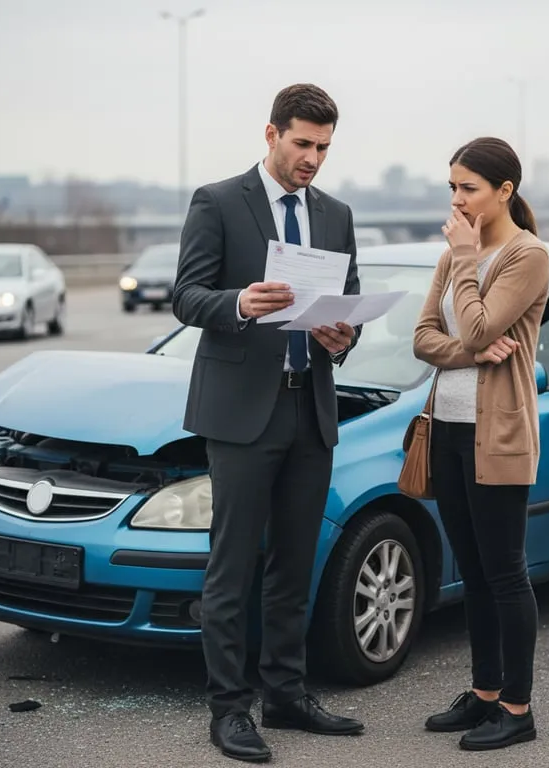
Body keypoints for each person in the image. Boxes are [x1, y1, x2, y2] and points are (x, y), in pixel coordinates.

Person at [172, 83, 364, 764]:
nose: (313, 158)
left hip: (309, 406)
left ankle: (286, 694)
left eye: (323, 147)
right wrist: (241, 303)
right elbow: (186, 296)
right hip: (241, 413)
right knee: (231, 568)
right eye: (303, 143)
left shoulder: (336, 215)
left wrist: (343, 338)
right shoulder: (219, 202)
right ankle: (230, 711)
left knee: (293, 561)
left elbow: (345, 309)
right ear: (272, 134)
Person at [412, 137, 549, 751]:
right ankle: (486, 692)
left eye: (468, 188)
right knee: (469, 571)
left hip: (499, 436)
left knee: (505, 574)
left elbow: (473, 323)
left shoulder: (527, 255)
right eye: (452, 188)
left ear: (505, 192)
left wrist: (466, 259)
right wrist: (469, 348)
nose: (458, 199)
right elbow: (422, 337)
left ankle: (517, 709)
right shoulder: (455, 252)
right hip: (447, 430)